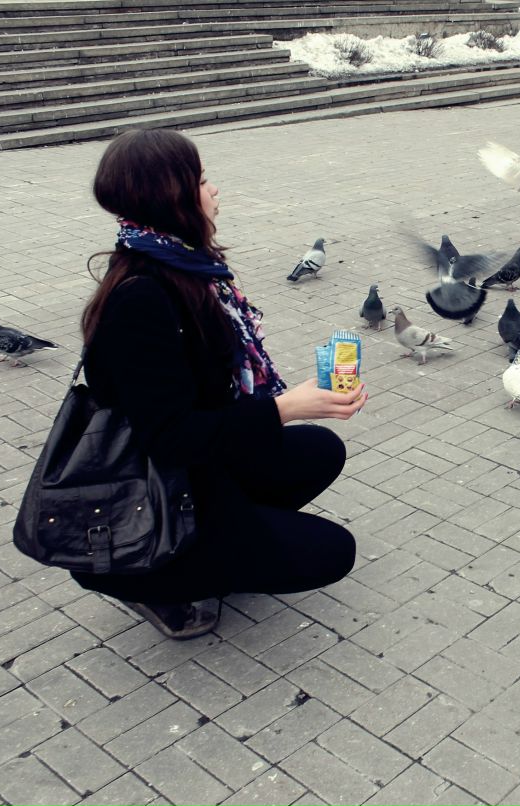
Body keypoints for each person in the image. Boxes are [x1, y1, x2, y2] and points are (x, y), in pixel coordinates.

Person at [74, 129, 367, 640]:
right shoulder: (142, 298)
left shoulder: (183, 265)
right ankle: (155, 577)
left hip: (199, 468)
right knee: (332, 552)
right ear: (170, 196)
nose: (214, 190)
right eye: (202, 180)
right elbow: (170, 439)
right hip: (153, 492)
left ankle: (228, 546)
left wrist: (291, 403)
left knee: (320, 449)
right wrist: (283, 408)